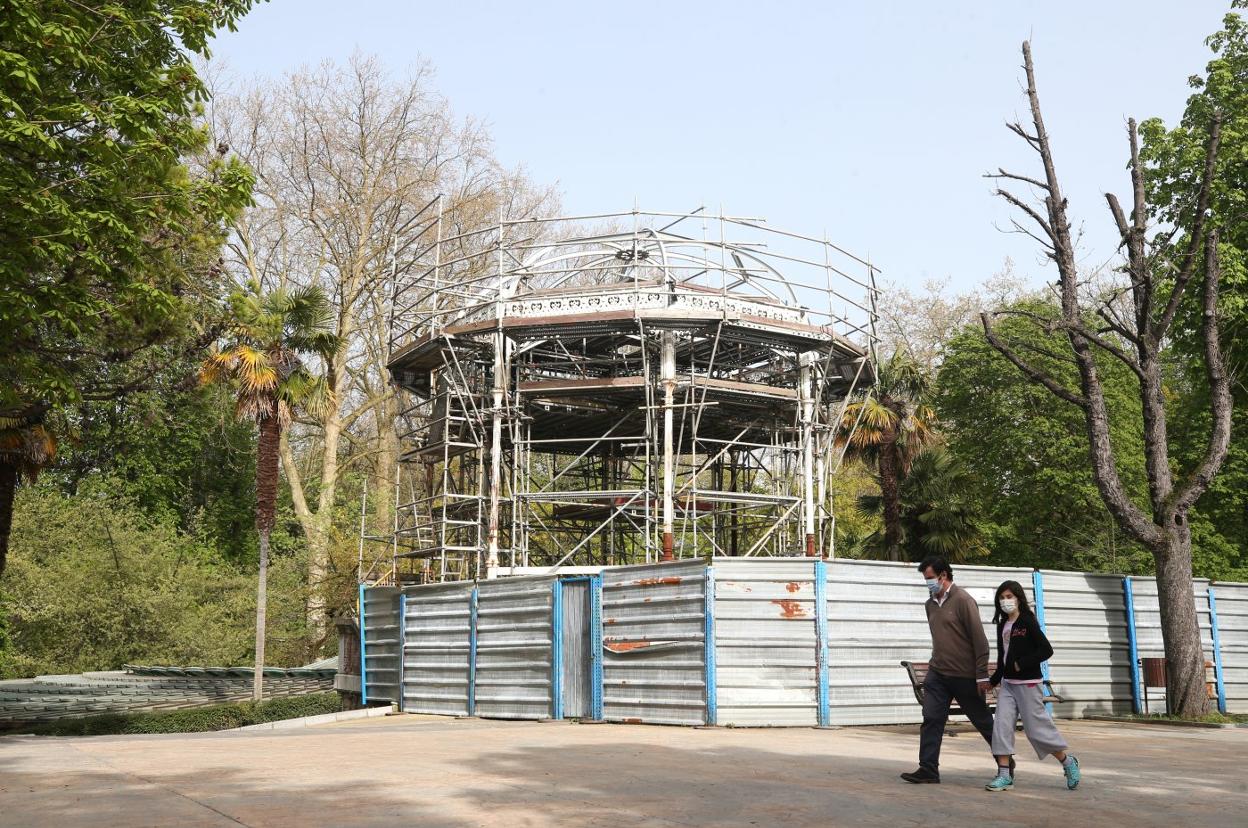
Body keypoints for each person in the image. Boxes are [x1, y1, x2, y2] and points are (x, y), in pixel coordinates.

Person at [901, 556, 1010, 784]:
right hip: (938, 674)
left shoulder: (963, 600)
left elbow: (980, 642)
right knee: (931, 718)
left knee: (982, 721)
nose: (928, 583)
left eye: (930, 578)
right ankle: (928, 769)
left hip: (965, 676)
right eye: (925, 579)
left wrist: (981, 674)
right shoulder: (930, 604)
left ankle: (1005, 764)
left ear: (943, 575)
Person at [984, 580, 1080, 792]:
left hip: (1028, 684)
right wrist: (992, 681)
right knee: (1001, 728)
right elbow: (1003, 658)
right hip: (1008, 685)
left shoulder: (1027, 621)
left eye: (1009, 597)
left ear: (1018, 598)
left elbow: (1046, 650)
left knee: (1036, 731)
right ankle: (1004, 775)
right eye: (1002, 597)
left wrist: (1021, 663)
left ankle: (1068, 762)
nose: (1005, 601)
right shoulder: (1003, 625)